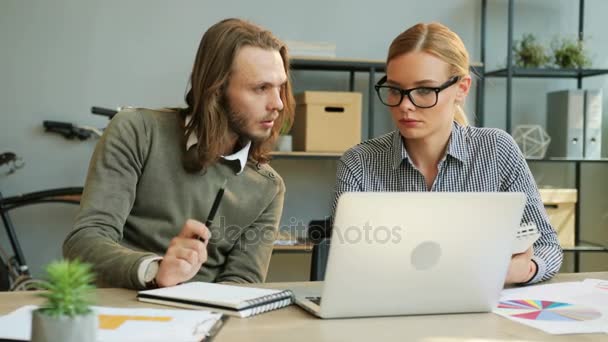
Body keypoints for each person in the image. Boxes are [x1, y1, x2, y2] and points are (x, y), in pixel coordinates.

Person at [63, 18, 295, 290]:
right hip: (119, 312)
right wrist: (156, 270)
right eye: (261, 88)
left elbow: (243, 283)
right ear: (216, 88)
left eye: (280, 87)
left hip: (203, 324)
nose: (278, 103)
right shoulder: (137, 131)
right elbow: (83, 243)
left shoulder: (269, 187)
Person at [332, 22, 563, 285]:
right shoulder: (359, 164)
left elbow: (547, 245)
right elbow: (348, 264)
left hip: (478, 313)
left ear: (462, 88)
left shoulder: (497, 151)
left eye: (424, 90)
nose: (405, 106)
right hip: (390, 314)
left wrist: (524, 269)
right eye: (395, 90)